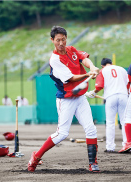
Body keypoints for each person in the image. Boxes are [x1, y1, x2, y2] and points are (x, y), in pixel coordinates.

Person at [27, 26, 100, 172]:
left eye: (63, 39)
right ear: (52, 40)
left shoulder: (71, 49)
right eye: (58, 40)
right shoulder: (55, 60)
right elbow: (71, 78)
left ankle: (93, 163)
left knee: (91, 129)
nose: (61, 43)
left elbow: (83, 58)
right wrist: (87, 75)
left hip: (79, 97)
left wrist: (92, 67)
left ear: (66, 38)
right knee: (62, 134)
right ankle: (36, 156)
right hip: (66, 99)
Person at [85, 58, 128, 153]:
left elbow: (99, 86)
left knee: (110, 123)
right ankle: (127, 144)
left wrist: (93, 92)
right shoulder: (122, 69)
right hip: (124, 96)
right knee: (125, 122)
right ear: (111, 63)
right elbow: (128, 83)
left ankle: (110, 147)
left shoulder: (102, 71)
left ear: (102, 65)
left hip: (110, 97)